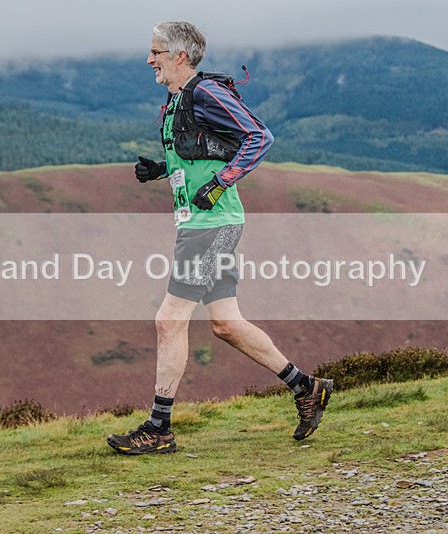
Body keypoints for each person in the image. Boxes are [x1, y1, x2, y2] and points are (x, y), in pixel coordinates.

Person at [107, 20, 333, 455]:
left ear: (179, 56)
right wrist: (161, 169)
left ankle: (159, 429)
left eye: (156, 51)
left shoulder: (206, 92)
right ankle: (307, 387)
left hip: (212, 226)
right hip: (201, 224)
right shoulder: (177, 99)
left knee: (168, 320)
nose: (149, 58)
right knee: (227, 324)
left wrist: (220, 183)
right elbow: (203, 150)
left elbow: (259, 137)